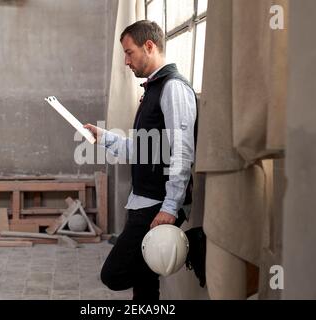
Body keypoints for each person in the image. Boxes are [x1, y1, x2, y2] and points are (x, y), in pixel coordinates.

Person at [84, 20, 197, 300]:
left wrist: (170, 207)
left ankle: (191, 247)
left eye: (129, 52)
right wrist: (104, 137)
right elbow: (144, 149)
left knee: (114, 274)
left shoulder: (173, 88)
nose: (126, 61)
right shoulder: (153, 88)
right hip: (145, 200)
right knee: (145, 282)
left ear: (149, 46)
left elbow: (183, 152)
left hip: (157, 204)